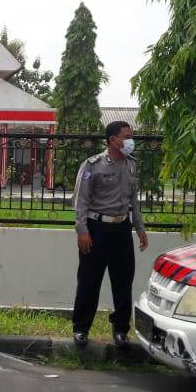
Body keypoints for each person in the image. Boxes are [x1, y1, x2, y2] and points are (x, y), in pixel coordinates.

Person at [71, 121, 148, 349]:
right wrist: (82, 230)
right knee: (89, 281)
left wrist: (140, 229)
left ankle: (121, 330)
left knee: (124, 281)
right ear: (113, 139)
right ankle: (81, 328)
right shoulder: (92, 165)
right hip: (97, 230)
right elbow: (80, 201)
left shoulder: (131, 165)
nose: (131, 141)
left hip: (122, 230)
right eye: (127, 136)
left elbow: (134, 201)